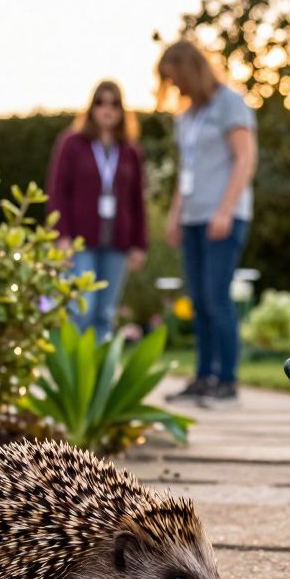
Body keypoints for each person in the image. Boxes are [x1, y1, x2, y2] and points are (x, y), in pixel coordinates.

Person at [156, 40, 258, 406]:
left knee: (217, 299)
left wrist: (225, 210)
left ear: (191, 70)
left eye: (176, 78)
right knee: (198, 301)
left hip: (223, 218)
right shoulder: (186, 117)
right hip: (194, 218)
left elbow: (245, 159)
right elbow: (187, 173)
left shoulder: (230, 103)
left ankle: (226, 382)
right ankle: (202, 377)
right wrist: (175, 216)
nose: (175, 87)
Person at [46, 80, 148, 343]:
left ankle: (98, 373)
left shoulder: (129, 150)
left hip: (117, 242)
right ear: (91, 108)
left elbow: (138, 199)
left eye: (114, 104)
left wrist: (139, 243)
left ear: (122, 110)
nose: (107, 110)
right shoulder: (72, 144)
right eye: (101, 103)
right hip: (81, 241)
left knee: (105, 312)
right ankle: (75, 367)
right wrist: (61, 235)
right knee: (82, 305)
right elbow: (57, 191)